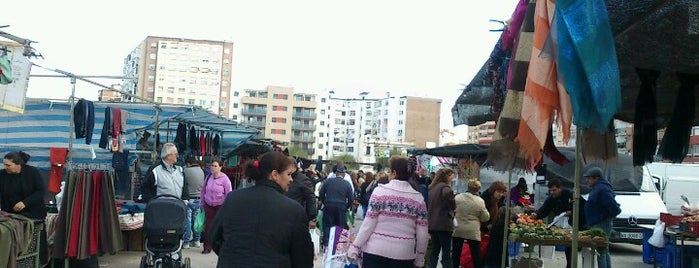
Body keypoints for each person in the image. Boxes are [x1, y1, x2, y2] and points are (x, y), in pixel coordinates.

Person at [209, 151, 314, 267]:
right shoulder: (294, 210)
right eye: (288, 174)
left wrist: (231, 256)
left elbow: (214, 236)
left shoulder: (233, 199)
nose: (291, 180)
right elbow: (303, 257)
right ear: (275, 175)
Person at [348, 156, 429, 268]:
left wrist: (355, 247)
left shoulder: (380, 192)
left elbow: (368, 225)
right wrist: (420, 259)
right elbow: (422, 233)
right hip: (404, 254)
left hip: (375, 251)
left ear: (394, 173)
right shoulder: (418, 198)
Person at [0, 151, 48, 265]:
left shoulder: (32, 173)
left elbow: (41, 191)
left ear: (18, 164)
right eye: (4, 164)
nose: (5, 167)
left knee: (34, 241)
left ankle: (37, 263)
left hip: (32, 213)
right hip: (10, 213)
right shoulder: (2, 175)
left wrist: (24, 203)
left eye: (8, 165)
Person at [531, 178, 587, 268]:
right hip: (562, 226)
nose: (552, 192)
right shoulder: (551, 198)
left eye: (554, 190)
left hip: (576, 224)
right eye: (550, 191)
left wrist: (572, 212)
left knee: (572, 247)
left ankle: (571, 265)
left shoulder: (570, 194)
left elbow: (583, 207)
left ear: (560, 188)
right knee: (568, 246)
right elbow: (545, 208)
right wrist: (536, 214)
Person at [583, 167, 621, 268]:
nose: (587, 180)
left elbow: (612, 204)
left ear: (596, 178)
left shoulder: (602, 189)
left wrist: (607, 216)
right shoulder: (598, 188)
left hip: (601, 223)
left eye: (589, 178)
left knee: (601, 251)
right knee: (604, 249)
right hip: (599, 222)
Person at [453, 179, 490, 268]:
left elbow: (452, 210)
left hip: (458, 228)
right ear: (478, 189)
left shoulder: (458, 198)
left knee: (456, 253)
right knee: (475, 254)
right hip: (473, 231)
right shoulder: (480, 201)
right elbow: (485, 217)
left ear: (468, 187)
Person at [200, 159, 232, 254]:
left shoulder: (225, 179)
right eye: (212, 166)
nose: (213, 168)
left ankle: (221, 245)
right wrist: (202, 203)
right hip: (208, 205)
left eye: (215, 166)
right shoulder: (208, 177)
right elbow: (203, 191)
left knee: (220, 226)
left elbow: (228, 193)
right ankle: (207, 246)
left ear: (220, 167)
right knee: (208, 227)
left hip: (220, 206)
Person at [318, 165, 354, 248]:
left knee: (328, 225)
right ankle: (336, 244)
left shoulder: (328, 181)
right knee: (339, 226)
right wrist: (346, 207)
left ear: (336, 173)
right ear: (344, 174)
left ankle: (327, 244)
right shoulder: (347, 184)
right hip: (341, 207)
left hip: (329, 205)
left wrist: (325, 202)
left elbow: (321, 194)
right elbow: (351, 199)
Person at [427, 167, 457, 268]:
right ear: (447, 176)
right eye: (452, 176)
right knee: (446, 253)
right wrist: (453, 204)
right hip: (444, 224)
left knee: (434, 251)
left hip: (432, 224)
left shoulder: (432, 188)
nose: (452, 179)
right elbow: (448, 197)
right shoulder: (445, 188)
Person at [182, 156, 205, 248]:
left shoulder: (186, 171)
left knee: (187, 221)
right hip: (198, 198)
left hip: (189, 199)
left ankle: (186, 242)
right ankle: (197, 240)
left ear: (188, 163)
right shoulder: (201, 171)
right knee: (197, 221)